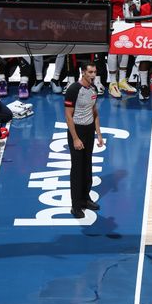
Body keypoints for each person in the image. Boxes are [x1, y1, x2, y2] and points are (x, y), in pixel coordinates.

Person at [96, 0, 138, 99]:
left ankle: (122, 80)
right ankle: (112, 82)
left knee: (126, 48)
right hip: (113, 16)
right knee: (114, 49)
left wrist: (133, 1)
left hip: (128, 16)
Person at [64, 61, 103, 219]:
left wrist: (99, 134)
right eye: (90, 72)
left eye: (94, 72)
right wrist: (75, 138)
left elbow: (94, 112)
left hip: (89, 131)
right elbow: (68, 116)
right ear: (83, 73)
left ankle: (86, 199)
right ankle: (76, 205)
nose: (93, 75)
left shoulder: (94, 89)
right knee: (77, 169)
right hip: (77, 131)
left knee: (87, 166)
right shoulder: (73, 89)